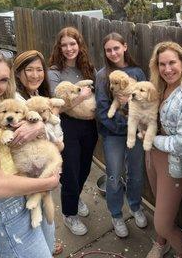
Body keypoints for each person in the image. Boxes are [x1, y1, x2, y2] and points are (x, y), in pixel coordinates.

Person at [0, 46, 59, 258]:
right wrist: (48, 183)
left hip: (24, 190)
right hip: (8, 207)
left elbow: (37, 116)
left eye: (3, 80)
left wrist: (38, 127)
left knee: (48, 247)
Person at [146, 41, 182, 258]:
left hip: (173, 162)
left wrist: (153, 140)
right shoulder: (159, 87)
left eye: (172, 63)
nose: (167, 69)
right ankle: (161, 243)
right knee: (158, 205)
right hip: (152, 156)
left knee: (162, 222)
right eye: (162, 64)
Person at [95, 32, 147, 238]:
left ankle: (135, 206)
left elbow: (146, 100)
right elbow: (102, 109)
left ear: (125, 47)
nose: (113, 53)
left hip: (137, 131)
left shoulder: (137, 72)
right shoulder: (102, 75)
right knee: (114, 175)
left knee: (135, 173)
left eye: (116, 48)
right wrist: (124, 126)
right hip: (113, 134)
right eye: (108, 50)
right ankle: (116, 214)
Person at [48, 27, 98, 236]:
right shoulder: (54, 72)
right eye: (64, 45)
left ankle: (75, 196)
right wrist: (81, 96)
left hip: (89, 126)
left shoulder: (87, 68)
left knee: (85, 167)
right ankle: (69, 214)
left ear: (79, 45)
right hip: (67, 126)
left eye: (73, 44)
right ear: (59, 47)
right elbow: (57, 106)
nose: (69, 48)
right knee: (70, 171)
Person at [13, 50, 64, 255]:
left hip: (44, 163)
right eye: (29, 70)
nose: (35, 75)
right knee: (35, 212)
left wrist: (47, 133)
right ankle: (46, 248)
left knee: (43, 208)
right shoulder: (17, 102)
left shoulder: (37, 95)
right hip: (29, 167)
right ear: (17, 73)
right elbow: (25, 134)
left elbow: (59, 133)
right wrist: (48, 133)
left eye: (39, 69)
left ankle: (49, 245)